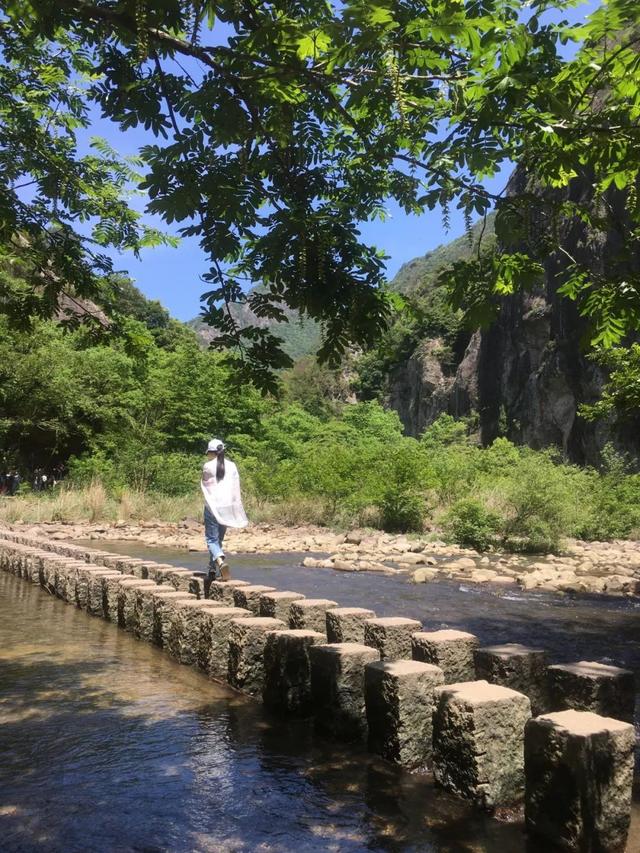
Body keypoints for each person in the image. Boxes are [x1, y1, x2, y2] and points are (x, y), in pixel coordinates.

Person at [201, 439, 248, 581]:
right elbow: (235, 488)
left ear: (211, 452)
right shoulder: (232, 466)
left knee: (211, 540)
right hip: (227, 507)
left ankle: (220, 561)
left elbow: (205, 485)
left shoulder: (207, 466)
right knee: (218, 540)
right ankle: (212, 570)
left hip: (212, 507)